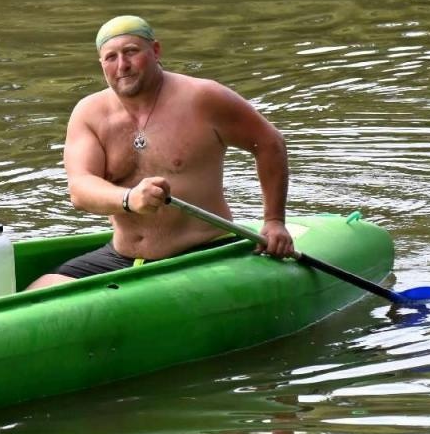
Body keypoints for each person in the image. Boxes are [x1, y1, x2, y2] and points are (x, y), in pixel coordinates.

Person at [29, 15, 294, 289]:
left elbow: (269, 143)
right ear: (101, 64)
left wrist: (274, 221)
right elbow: (80, 189)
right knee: (38, 289)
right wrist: (128, 198)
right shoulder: (89, 113)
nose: (123, 66)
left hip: (205, 251)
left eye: (131, 52)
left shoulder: (204, 98)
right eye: (111, 57)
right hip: (124, 255)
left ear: (155, 51)